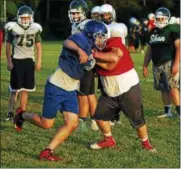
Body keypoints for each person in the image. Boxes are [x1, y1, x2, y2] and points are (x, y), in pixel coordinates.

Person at [14, 20, 108, 161]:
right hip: (56, 87)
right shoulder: (80, 38)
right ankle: (22, 115)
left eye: (103, 37)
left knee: (72, 123)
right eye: (99, 36)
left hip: (70, 89)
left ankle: (47, 151)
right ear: (90, 34)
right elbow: (66, 42)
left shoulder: (92, 48)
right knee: (46, 124)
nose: (102, 40)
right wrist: (79, 50)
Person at [89, 23, 156, 152]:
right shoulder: (95, 45)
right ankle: (108, 139)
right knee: (99, 116)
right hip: (109, 89)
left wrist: (94, 57)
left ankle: (146, 143)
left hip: (127, 87)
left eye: (99, 36)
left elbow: (112, 62)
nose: (97, 39)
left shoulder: (114, 42)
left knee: (137, 118)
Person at [4, 6, 42, 121]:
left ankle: (22, 111)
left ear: (31, 18)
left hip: (29, 61)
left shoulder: (34, 29)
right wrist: (9, 61)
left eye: (27, 18)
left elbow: (39, 46)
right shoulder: (13, 28)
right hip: (17, 61)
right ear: (18, 18)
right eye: (23, 18)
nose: (25, 20)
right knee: (14, 90)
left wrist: (39, 60)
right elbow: (8, 46)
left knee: (26, 89)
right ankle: (10, 112)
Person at [143, 7, 180, 118]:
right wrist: (145, 65)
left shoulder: (172, 29)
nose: (158, 21)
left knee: (173, 87)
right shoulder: (153, 31)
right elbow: (149, 50)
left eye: (161, 19)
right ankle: (167, 111)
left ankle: (179, 112)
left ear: (166, 19)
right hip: (156, 64)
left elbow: (179, 47)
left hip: (169, 62)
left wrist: (176, 63)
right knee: (163, 88)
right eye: (157, 19)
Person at [68, 0, 99, 131]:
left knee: (81, 94)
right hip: (84, 62)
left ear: (84, 13)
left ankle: (82, 122)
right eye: (72, 13)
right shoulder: (78, 24)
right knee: (90, 93)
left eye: (77, 13)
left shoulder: (86, 25)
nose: (74, 15)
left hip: (85, 63)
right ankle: (96, 120)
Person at [99, 4, 127, 125]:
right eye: (102, 15)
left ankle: (115, 115)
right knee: (106, 89)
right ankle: (112, 115)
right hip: (104, 58)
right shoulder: (100, 26)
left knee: (116, 89)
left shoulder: (118, 27)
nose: (105, 17)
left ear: (112, 14)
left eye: (107, 14)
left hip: (115, 59)